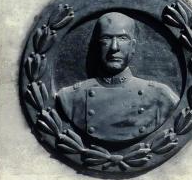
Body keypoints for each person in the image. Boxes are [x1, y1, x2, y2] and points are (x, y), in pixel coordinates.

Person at [56, 12, 179, 143]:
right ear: (96, 46)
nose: (114, 47)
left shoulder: (161, 96)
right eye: (106, 38)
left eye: (122, 38)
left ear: (133, 46)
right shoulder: (71, 97)